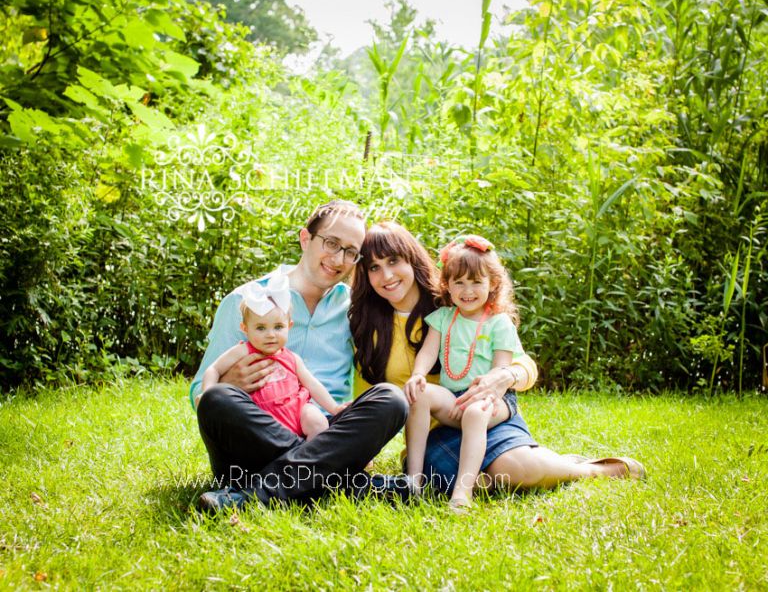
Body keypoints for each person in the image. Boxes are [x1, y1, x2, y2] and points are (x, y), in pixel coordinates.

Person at [349, 222, 645, 504]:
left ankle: (591, 470)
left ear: (412, 260)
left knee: (520, 470)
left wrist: (505, 376)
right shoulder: (369, 325)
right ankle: (490, 477)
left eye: (393, 261)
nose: (386, 275)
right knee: (460, 479)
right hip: (434, 430)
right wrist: (360, 453)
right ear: (364, 274)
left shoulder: (454, 301)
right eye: (374, 267)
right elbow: (368, 399)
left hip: (485, 411)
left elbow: (525, 365)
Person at [192, 201, 410, 512]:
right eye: (331, 243)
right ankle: (349, 482)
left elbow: (413, 314)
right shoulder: (247, 301)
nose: (339, 259)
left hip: (322, 429)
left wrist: (505, 371)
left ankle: (250, 494)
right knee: (218, 399)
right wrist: (227, 383)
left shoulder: (354, 308)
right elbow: (201, 393)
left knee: (392, 400)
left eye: (351, 251)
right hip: (255, 440)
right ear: (305, 238)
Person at [403, 234, 527, 510]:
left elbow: (502, 371)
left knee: (474, 413)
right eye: (458, 282)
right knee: (419, 395)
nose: (466, 290)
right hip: (454, 396)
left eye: (476, 282)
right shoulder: (444, 318)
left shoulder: (499, 323)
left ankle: (463, 491)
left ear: (493, 284)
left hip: (494, 399)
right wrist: (418, 375)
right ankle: (413, 479)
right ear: (447, 285)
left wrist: (486, 395)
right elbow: (427, 351)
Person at [201, 274, 345, 440]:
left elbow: (312, 384)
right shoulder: (243, 351)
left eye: (278, 327)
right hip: (263, 419)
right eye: (261, 328)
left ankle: (312, 457)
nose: (270, 335)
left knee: (318, 422)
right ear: (245, 328)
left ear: (289, 326)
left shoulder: (292, 358)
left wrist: (334, 408)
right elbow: (213, 369)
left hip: (297, 411)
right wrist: (208, 394)